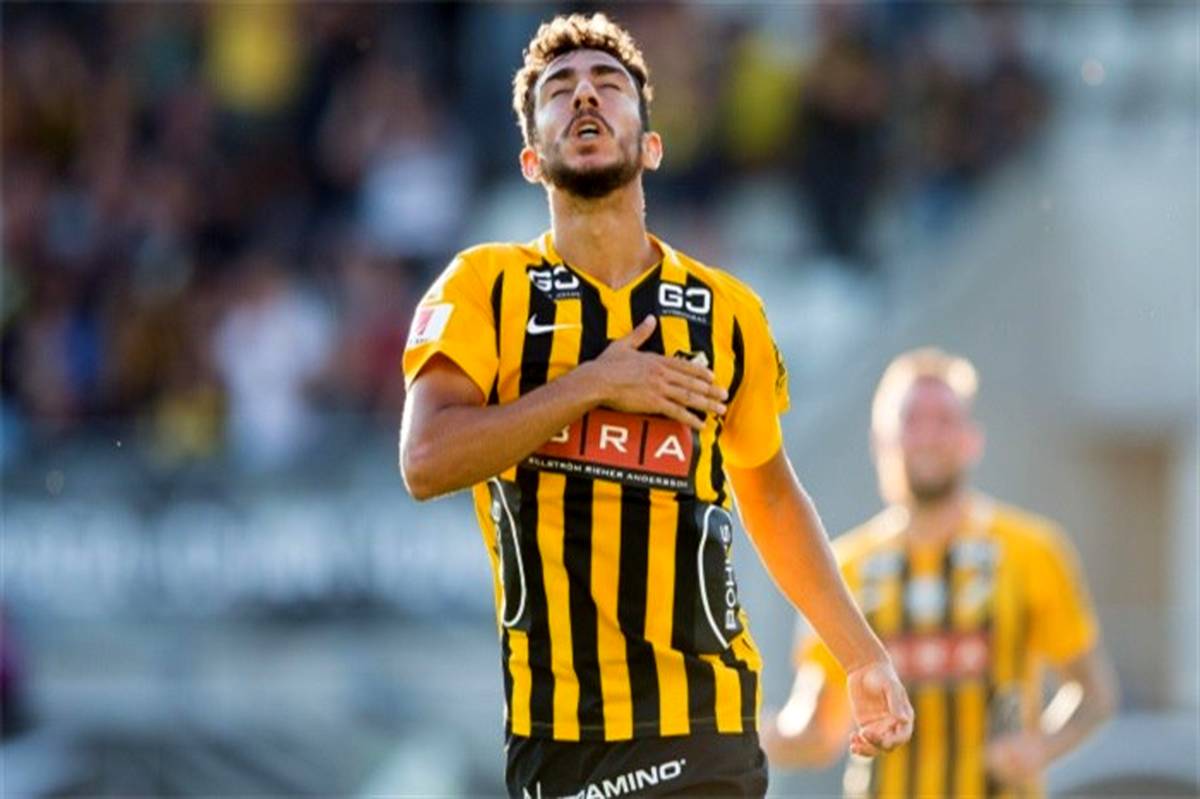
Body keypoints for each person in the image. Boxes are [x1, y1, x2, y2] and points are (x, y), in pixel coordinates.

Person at [399, 14, 912, 797]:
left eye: (608, 84)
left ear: (652, 146)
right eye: (559, 91)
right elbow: (425, 460)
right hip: (557, 731)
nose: (584, 97)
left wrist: (861, 654)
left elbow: (771, 495)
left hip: (703, 718)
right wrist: (594, 383)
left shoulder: (726, 311)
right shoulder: (483, 288)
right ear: (532, 160)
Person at [762, 348, 1118, 798]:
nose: (928, 436)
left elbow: (1094, 695)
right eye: (911, 420)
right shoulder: (841, 568)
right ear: (880, 440)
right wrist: (747, 732)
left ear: (972, 439)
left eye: (944, 420)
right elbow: (817, 729)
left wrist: (1039, 746)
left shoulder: (1032, 551)